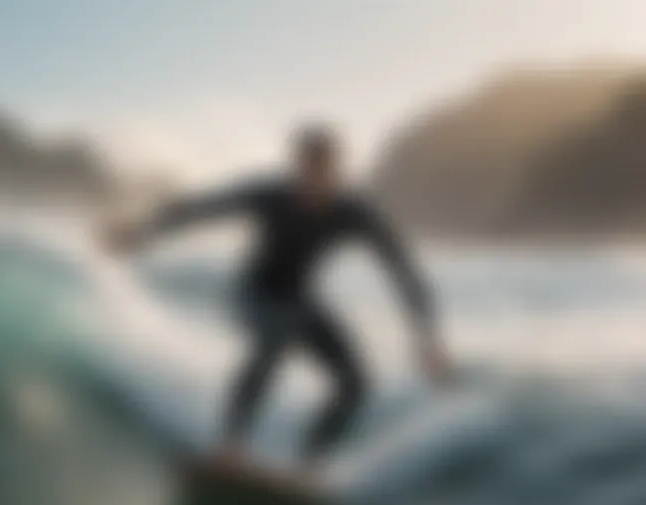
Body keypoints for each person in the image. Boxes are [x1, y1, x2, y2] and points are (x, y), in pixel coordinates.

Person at [101, 123, 450, 469]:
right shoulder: (270, 196)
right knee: (275, 336)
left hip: (301, 299)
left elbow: (402, 269)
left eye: (323, 170)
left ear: (337, 172)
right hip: (255, 293)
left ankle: (310, 465)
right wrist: (140, 232)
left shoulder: (354, 212)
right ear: (296, 168)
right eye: (306, 169)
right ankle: (230, 446)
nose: (312, 181)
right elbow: (201, 209)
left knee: (354, 382)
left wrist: (426, 336)